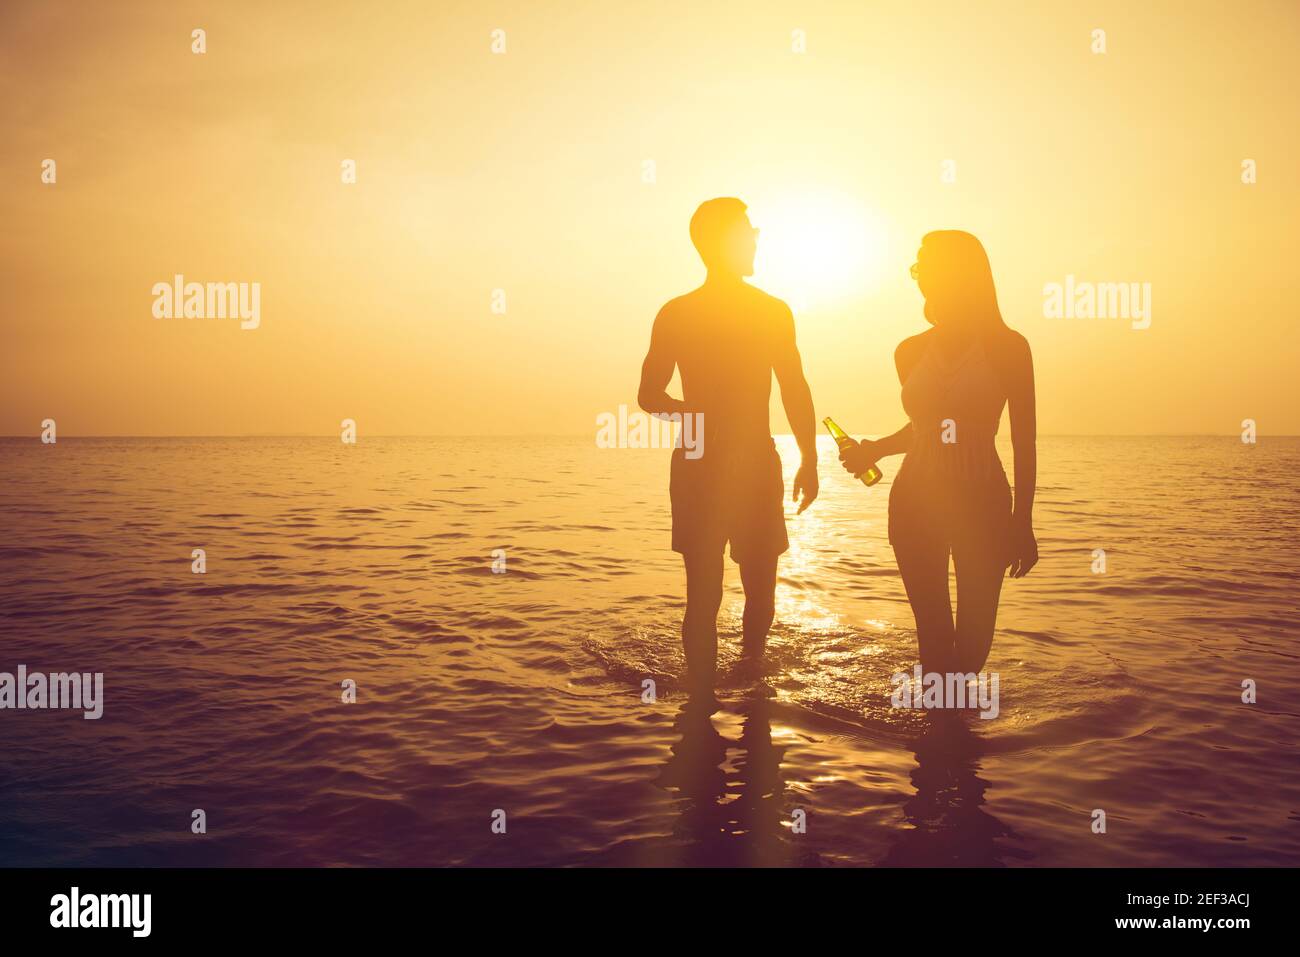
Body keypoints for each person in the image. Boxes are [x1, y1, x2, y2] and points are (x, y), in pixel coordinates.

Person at [839, 231, 1038, 685]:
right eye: (918, 268)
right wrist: (874, 449)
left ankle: (951, 733)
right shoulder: (909, 351)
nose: (919, 276)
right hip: (915, 501)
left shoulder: (1009, 347)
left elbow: (1024, 441)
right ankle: (938, 743)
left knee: (971, 647)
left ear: (959, 274)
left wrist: (1022, 521)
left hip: (983, 502)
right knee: (932, 636)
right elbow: (926, 428)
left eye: (927, 267)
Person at [638, 197, 818, 694]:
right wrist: (693, 413)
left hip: (756, 461)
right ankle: (702, 694)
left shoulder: (770, 312)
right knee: (704, 590)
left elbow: (794, 387)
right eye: (746, 230)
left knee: (760, 585)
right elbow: (648, 394)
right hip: (700, 461)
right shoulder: (677, 314)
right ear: (719, 242)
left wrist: (810, 456)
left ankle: (749, 678)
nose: (756, 236)